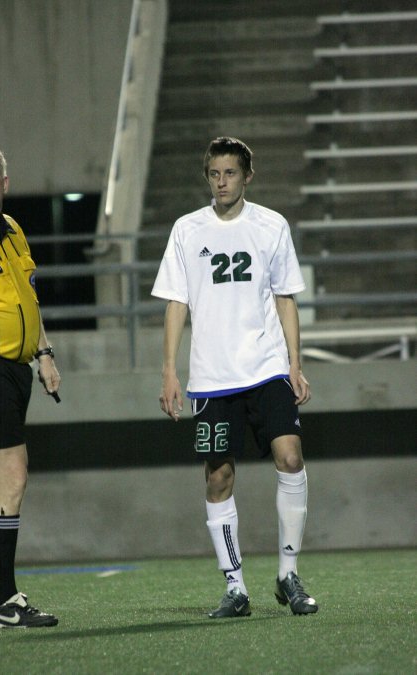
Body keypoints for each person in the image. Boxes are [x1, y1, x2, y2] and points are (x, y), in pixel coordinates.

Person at [152, 136, 318, 618]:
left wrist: (294, 362)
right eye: (214, 173)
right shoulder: (187, 229)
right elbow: (176, 302)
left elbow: (285, 296)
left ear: (248, 176)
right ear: (207, 177)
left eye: (230, 173)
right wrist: (169, 371)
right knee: (219, 476)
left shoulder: (271, 225)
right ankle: (236, 587)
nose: (221, 182)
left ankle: (288, 575)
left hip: (266, 368)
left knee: (290, 457)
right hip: (211, 377)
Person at [0, 144, 60, 629]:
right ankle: (2, 601)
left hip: (15, 370)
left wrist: (44, 353)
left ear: (4, 182)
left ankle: (0, 601)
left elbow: (28, 296)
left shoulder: (15, 231)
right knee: (13, 476)